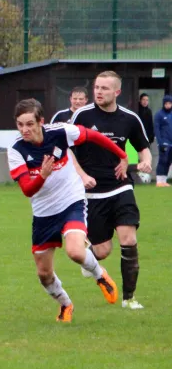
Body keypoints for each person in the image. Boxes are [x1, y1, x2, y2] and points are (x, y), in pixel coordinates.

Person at [8, 98, 125, 322]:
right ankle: (65, 304)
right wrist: (42, 175)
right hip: (43, 214)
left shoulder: (61, 132)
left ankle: (100, 275)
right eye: (20, 124)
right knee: (43, 274)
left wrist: (120, 153)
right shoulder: (16, 150)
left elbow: (94, 136)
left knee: (75, 251)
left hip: (71, 201)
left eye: (30, 124)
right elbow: (27, 190)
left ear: (41, 121)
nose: (25, 129)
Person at [71, 71, 152, 310]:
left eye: (104, 88)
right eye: (96, 87)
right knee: (103, 250)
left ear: (117, 92)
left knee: (129, 239)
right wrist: (82, 176)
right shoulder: (82, 115)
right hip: (93, 193)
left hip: (121, 186)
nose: (98, 92)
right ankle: (91, 259)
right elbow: (67, 150)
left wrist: (145, 161)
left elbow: (143, 147)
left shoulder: (129, 118)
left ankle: (129, 298)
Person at [153, 95, 172, 187]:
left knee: (168, 161)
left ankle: (164, 180)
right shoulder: (159, 114)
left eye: (170, 103)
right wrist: (160, 142)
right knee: (162, 161)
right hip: (164, 142)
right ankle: (159, 181)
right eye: (166, 103)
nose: (168, 105)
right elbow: (156, 129)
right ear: (163, 104)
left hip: (171, 142)